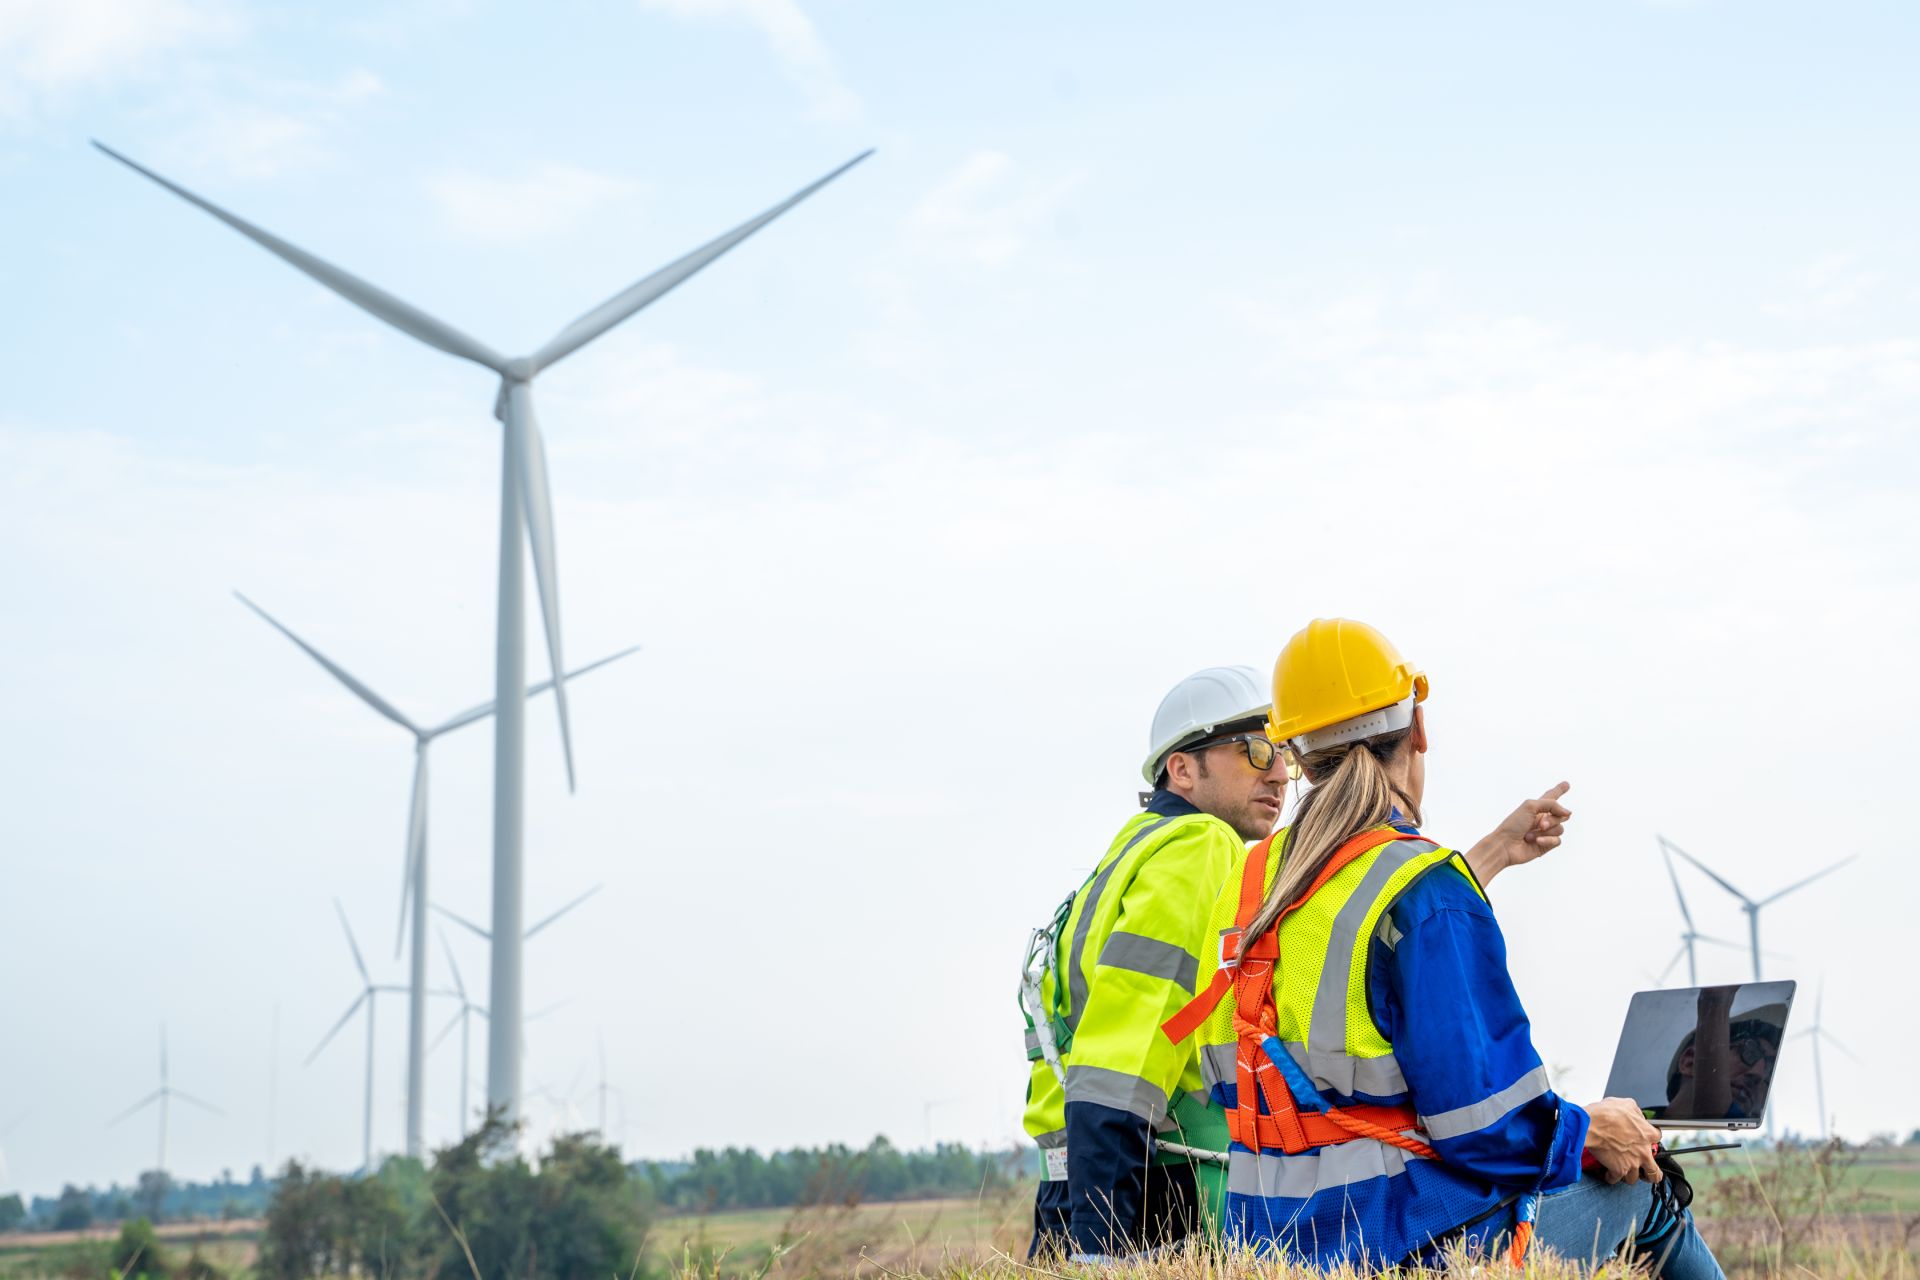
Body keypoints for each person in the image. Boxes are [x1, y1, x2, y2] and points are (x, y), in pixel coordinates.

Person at [1165, 619, 1725, 1277]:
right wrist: (1594, 1129)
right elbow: (1488, 1131)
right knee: (1651, 1196)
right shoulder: (1425, 892)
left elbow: (1355, 943)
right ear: (1419, 727)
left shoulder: (1252, 881)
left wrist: (1482, 859)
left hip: (1274, 1251)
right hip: (1404, 1248)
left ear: (1297, 754)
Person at [1019, 665, 1287, 1261]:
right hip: (1151, 1191)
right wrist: (1104, 1248)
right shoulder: (1201, 847)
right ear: (1183, 768)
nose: (1281, 772)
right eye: (1255, 748)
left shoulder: (1135, 844)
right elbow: (1127, 1057)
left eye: (1285, 749)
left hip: (1078, 1178)